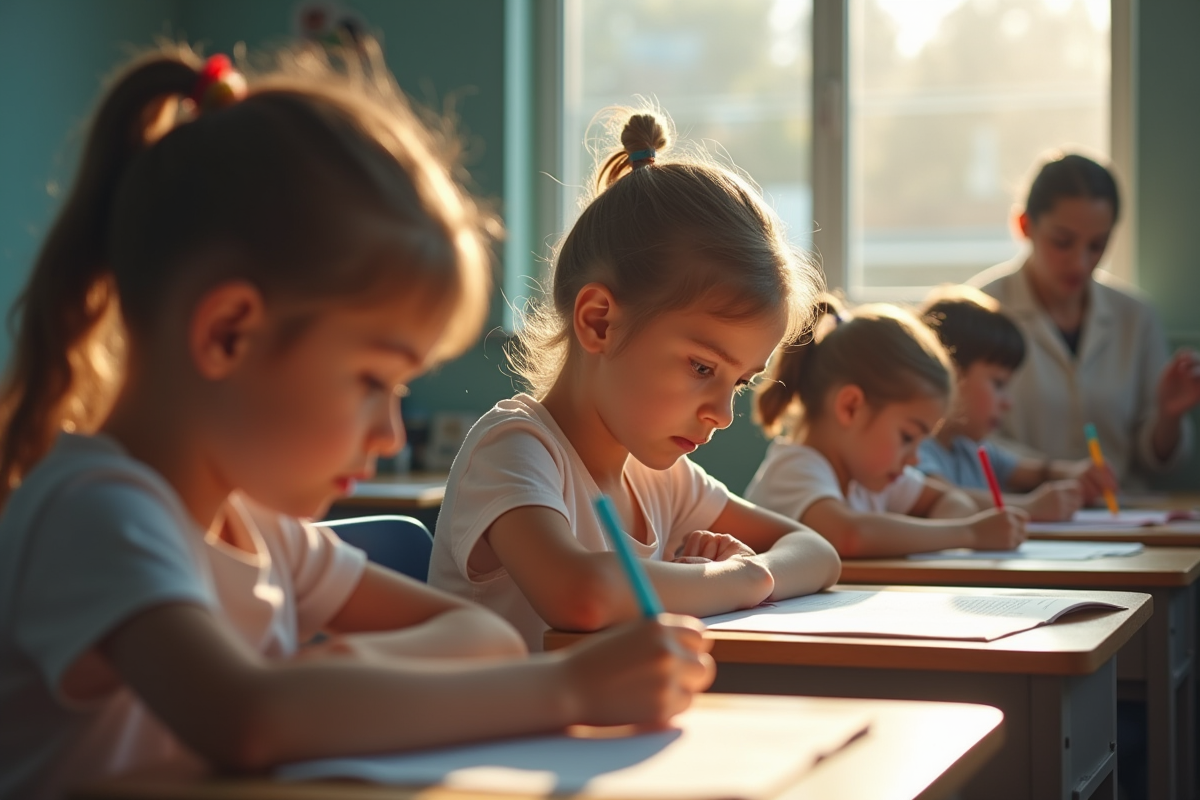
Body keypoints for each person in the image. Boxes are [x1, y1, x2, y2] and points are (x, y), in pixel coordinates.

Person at [0, 44, 713, 800]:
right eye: (374, 382)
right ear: (228, 335)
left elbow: (486, 636)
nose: (391, 436)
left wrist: (342, 676)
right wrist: (569, 690)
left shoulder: (257, 528)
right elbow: (246, 719)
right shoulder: (95, 512)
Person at [428, 109, 841, 651]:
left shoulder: (659, 479)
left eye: (739, 383)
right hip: (484, 734)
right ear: (599, 321)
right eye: (702, 368)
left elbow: (815, 550)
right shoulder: (513, 448)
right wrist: (731, 581)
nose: (722, 413)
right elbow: (582, 593)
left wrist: (755, 575)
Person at [969, 153, 1200, 486]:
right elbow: (960, 441)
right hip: (1025, 516)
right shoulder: (979, 311)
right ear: (1024, 226)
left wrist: (1168, 416)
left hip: (1124, 515)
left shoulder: (1136, 317)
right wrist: (1053, 474)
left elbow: (1157, 461)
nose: (1080, 262)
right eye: (1063, 242)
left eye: (1097, 245)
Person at [745, 297, 1028, 558]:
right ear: (850, 407)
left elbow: (952, 500)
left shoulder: (869, 477)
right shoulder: (794, 469)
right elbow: (850, 536)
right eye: (907, 437)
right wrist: (969, 533)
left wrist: (933, 533)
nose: (915, 458)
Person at [918, 286, 1116, 520]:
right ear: (952, 374)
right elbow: (942, 495)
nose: (1008, 403)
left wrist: (1073, 472)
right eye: (999, 384)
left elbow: (1026, 471)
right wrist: (1029, 507)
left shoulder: (967, 447)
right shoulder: (916, 447)